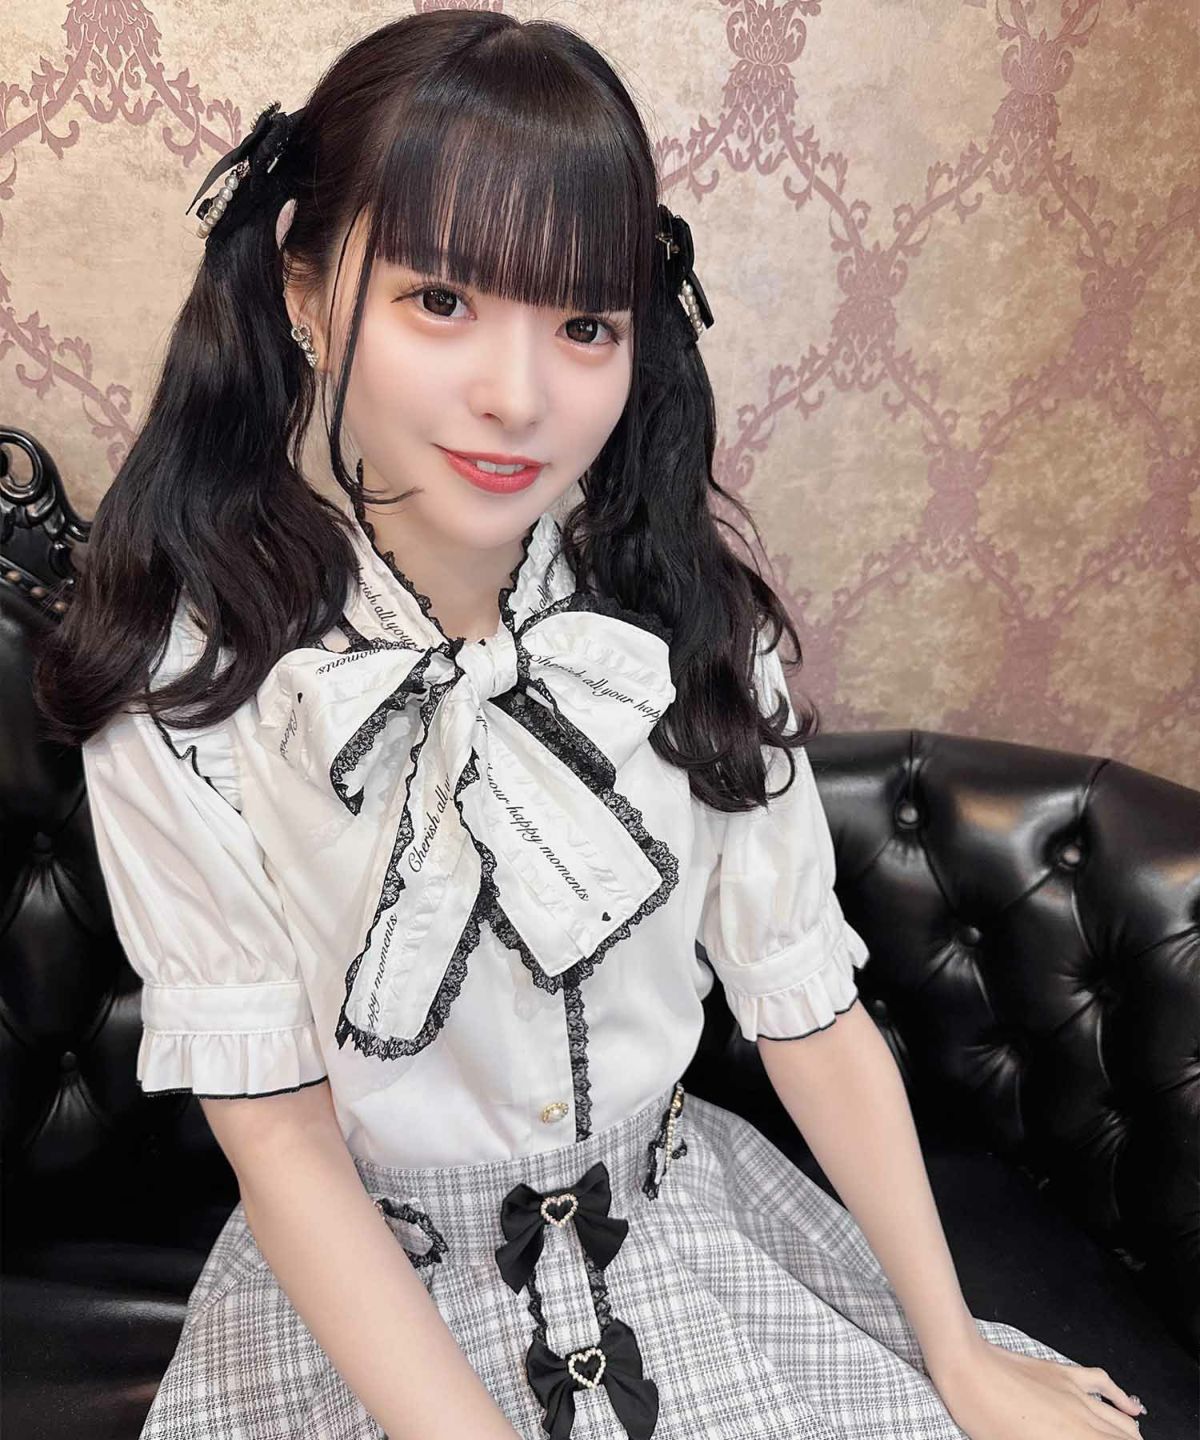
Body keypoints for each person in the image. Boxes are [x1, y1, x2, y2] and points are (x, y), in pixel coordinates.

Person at [36, 11, 1147, 1440]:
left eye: (583, 325)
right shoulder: (192, 686)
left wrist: (954, 1348)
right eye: (441, 299)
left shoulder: (688, 628)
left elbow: (809, 1012)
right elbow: (287, 1146)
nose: (520, 397)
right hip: (372, 1310)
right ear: (305, 293)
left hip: (685, 1233)